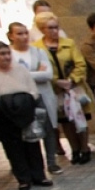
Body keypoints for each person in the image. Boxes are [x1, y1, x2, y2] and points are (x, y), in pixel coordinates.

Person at [0, 42, 52, 190]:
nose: (7, 57)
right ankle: (23, 179)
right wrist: (20, 97)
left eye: (8, 53)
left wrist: (18, 99)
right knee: (13, 148)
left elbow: (33, 91)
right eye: (2, 54)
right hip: (4, 116)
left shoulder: (20, 69)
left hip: (27, 112)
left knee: (33, 144)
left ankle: (39, 175)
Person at [35, 12, 94, 164]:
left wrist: (71, 79)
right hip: (55, 90)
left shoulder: (69, 43)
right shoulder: (36, 48)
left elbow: (80, 64)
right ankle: (74, 149)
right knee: (66, 121)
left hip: (74, 87)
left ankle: (84, 148)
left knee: (80, 117)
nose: (54, 31)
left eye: (56, 27)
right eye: (50, 28)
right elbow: (39, 70)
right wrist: (56, 81)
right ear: (42, 29)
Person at [7, 23, 61, 173]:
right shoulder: (8, 54)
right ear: (11, 36)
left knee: (48, 128)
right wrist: (35, 73)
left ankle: (52, 162)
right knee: (28, 130)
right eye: (19, 34)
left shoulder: (39, 52)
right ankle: (32, 165)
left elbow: (48, 75)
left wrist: (24, 73)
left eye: (25, 33)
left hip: (42, 94)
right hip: (22, 97)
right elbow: (11, 76)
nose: (24, 37)